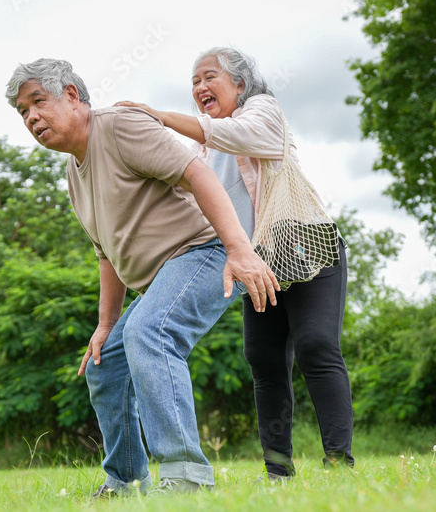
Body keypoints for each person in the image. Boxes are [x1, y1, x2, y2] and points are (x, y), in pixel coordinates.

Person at [5, 58, 279, 496]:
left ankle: (186, 477)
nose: (31, 117)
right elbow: (106, 252)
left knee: (151, 332)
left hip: (203, 252)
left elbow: (197, 172)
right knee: (106, 361)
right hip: (162, 276)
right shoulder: (73, 172)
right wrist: (106, 324)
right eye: (23, 112)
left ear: (73, 96)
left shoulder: (118, 126)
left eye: (38, 102)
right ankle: (126, 481)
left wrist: (238, 248)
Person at [115, 47, 354, 480]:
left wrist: (159, 116)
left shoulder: (262, 111)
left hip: (307, 245)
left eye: (210, 77)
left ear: (239, 84)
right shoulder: (201, 151)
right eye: (194, 82)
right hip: (259, 260)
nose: (200, 88)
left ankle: (339, 462)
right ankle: (279, 470)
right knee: (262, 358)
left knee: (316, 345)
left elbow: (235, 135)